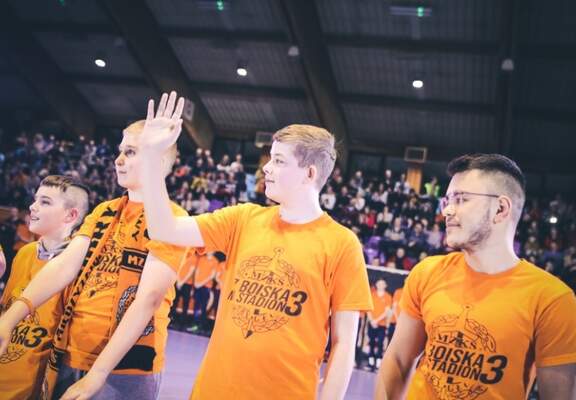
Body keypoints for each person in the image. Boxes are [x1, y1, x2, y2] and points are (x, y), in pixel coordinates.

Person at [138, 92, 373, 400]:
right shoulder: (243, 218)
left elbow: (344, 344)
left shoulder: (342, 244)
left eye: (279, 161)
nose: (266, 168)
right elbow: (163, 228)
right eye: (269, 159)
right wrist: (151, 157)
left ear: (309, 173)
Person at [0, 120, 188, 400]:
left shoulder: (173, 219)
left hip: (125, 368)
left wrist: (98, 374)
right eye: (120, 150)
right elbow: (65, 265)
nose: (118, 159)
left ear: (158, 160)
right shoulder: (104, 211)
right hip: (72, 353)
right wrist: (10, 318)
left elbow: (148, 300)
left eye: (131, 152)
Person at [376, 154, 576, 400]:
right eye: (448, 200)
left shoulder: (552, 299)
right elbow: (398, 359)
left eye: (461, 199)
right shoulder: (427, 273)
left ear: (500, 209)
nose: (447, 210)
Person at [0, 175, 89, 399]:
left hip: (32, 388)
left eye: (45, 202)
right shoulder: (26, 252)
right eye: (35, 199)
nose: (33, 206)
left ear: (71, 215)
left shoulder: (81, 265)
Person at [366, 279, 392, 371]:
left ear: (385, 285)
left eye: (382, 284)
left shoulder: (388, 297)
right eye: (379, 283)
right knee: (371, 342)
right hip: (371, 323)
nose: (380, 285)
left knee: (380, 343)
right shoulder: (372, 295)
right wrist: (372, 321)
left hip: (382, 324)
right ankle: (370, 363)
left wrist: (376, 321)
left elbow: (387, 312)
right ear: (376, 284)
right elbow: (368, 309)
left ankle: (378, 364)